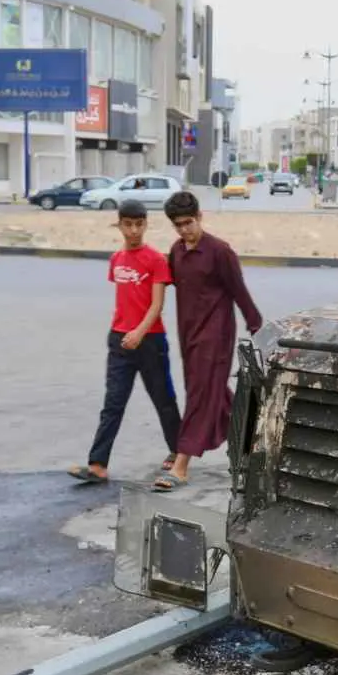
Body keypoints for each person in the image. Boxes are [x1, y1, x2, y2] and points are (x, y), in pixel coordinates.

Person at [67, 200, 182, 484]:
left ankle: (179, 453)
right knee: (113, 403)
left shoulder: (155, 260)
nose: (133, 231)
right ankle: (98, 465)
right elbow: (124, 300)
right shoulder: (116, 259)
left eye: (138, 224)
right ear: (119, 225)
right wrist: (123, 334)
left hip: (150, 340)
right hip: (119, 341)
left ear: (146, 225)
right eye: (127, 225)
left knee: (163, 399)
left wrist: (139, 332)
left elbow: (156, 305)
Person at [155, 191, 262, 491]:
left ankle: (181, 465)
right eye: (178, 225)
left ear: (200, 217)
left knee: (201, 396)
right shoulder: (176, 251)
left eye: (188, 222)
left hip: (216, 336)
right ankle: (256, 435)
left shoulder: (219, 251)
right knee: (211, 394)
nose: (184, 229)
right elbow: (165, 281)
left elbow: (239, 292)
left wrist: (256, 325)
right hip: (188, 335)